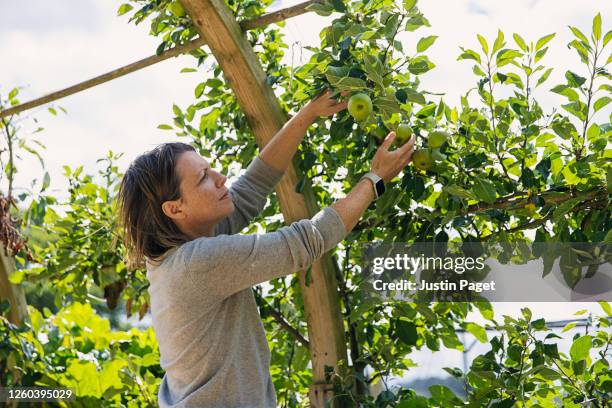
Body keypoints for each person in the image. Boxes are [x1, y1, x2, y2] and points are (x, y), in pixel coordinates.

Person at [116, 90, 416, 407]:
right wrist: (376, 179)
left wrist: (309, 113)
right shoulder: (196, 263)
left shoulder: (179, 249)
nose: (221, 178)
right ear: (175, 209)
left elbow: (255, 184)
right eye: (204, 178)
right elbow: (307, 240)